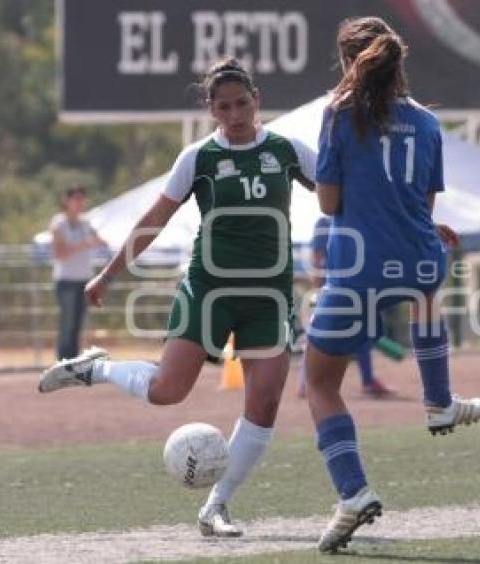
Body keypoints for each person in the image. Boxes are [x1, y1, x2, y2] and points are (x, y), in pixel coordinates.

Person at [37, 59, 316, 538]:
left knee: (266, 400)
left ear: (257, 99)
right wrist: (107, 275)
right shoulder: (199, 158)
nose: (234, 114)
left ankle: (217, 506)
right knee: (168, 391)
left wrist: (412, 222)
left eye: (241, 103)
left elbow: (344, 193)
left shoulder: (287, 150)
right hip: (210, 289)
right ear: (211, 109)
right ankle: (98, 367)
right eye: (223, 106)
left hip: (270, 294)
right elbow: (153, 220)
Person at [305, 17, 480, 552]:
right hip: (416, 260)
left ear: (347, 63)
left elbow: (330, 204)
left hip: (357, 269)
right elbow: (419, 206)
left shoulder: (337, 115)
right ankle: (437, 400)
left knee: (320, 384)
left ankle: (353, 492)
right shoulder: (427, 124)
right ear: (397, 62)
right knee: (426, 278)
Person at [297, 215, 395, 398]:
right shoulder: (325, 222)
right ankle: (305, 383)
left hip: (350, 285)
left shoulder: (353, 216)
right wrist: (318, 283)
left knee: (359, 331)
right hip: (330, 287)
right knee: (316, 335)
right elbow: (317, 254)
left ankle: (368, 380)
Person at [49, 186, 107, 360]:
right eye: (76, 199)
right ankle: (63, 360)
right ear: (66, 201)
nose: (80, 203)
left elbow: (101, 241)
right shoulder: (58, 223)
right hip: (66, 280)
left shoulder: (87, 223)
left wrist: (86, 243)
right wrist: (84, 244)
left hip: (85, 280)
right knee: (67, 322)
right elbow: (59, 253)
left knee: (79, 323)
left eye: (82, 199)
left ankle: (73, 360)